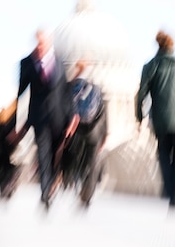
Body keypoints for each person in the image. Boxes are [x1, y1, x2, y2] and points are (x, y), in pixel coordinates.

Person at [10, 29, 78, 209]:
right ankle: (45, 192)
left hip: (59, 118)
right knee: (43, 155)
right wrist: (17, 124)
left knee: (56, 155)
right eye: (37, 42)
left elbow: (66, 93)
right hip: (39, 119)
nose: (39, 46)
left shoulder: (60, 63)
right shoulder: (27, 63)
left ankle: (52, 183)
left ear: (49, 43)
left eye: (43, 42)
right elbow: (21, 93)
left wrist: (72, 118)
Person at [136, 31, 175, 210]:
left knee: (164, 154)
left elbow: (141, 93)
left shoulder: (151, 66)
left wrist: (139, 116)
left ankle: (171, 190)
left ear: (158, 45)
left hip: (162, 120)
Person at [62, 60, 107, 205]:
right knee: (92, 162)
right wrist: (105, 134)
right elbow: (104, 114)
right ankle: (88, 194)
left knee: (78, 158)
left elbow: (65, 109)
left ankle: (78, 183)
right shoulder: (98, 88)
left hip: (77, 130)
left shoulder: (71, 87)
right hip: (95, 131)